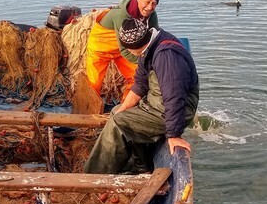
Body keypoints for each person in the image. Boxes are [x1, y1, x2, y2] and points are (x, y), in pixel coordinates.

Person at [84, 18, 199, 174]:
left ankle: (93, 176)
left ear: (131, 47)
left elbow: (174, 97)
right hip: (156, 103)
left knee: (119, 122)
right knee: (117, 112)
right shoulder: (149, 48)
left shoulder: (166, 55)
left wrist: (173, 134)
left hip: (175, 110)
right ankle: (140, 166)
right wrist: (123, 109)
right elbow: (140, 85)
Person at [85, 0, 160, 99]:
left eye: (154, 3)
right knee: (93, 83)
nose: (150, 7)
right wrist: (144, 63)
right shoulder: (121, 15)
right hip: (101, 48)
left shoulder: (151, 15)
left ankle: (126, 109)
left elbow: (155, 37)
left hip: (126, 49)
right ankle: (89, 112)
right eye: (147, 2)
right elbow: (124, 49)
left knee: (136, 77)